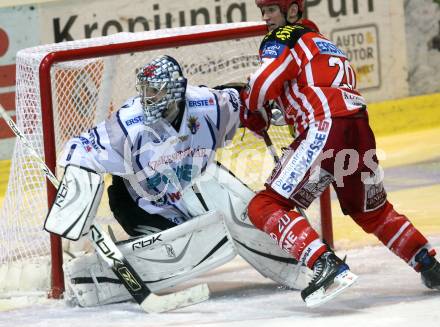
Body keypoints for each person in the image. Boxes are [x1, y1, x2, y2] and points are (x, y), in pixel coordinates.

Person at [47, 55, 310, 307]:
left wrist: (262, 111)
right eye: (146, 90)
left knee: (223, 191)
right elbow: (80, 149)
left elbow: (243, 101)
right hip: (143, 207)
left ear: (176, 91)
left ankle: (297, 261)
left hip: (195, 195)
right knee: (190, 250)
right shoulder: (130, 121)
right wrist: (78, 184)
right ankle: (91, 279)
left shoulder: (206, 104)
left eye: (156, 91)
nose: (148, 98)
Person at [239, 0, 440, 307]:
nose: (265, 18)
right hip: (359, 127)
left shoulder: (285, 37)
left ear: (293, 11)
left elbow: (260, 87)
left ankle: (324, 263)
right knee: (372, 210)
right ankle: (428, 263)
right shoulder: (327, 44)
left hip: (325, 128)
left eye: (271, 10)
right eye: (263, 10)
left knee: (263, 205)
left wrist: (252, 109)